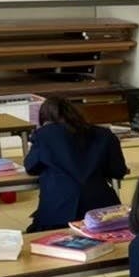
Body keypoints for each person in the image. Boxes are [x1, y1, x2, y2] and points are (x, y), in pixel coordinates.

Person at [24, 95, 128, 232]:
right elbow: (118, 171)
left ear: (45, 118)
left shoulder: (43, 135)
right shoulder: (104, 134)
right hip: (101, 210)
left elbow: (30, 167)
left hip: (57, 211)